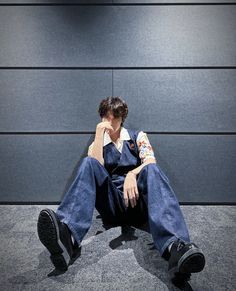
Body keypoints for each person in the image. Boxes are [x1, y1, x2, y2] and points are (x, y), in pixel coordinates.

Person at [37, 96, 205, 281]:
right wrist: (99, 133)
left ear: (121, 117)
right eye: (105, 116)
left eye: (114, 117)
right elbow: (95, 166)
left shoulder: (137, 136)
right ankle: (67, 237)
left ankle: (176, 247)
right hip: (112, 206)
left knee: (152, 169)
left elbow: (150, 160)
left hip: (138, 204)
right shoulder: (97, 143)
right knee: (88, 163)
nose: (109, 121)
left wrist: (132, 174)